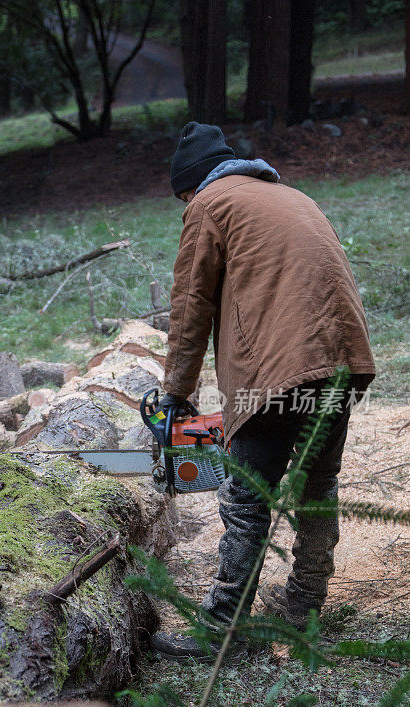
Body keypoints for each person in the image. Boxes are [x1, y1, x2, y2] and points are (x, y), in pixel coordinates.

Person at [150, 122, 375, 660]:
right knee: (317, 483)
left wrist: (174, 394)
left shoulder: (210, 205)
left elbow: (190, 306)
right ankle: (304, 605)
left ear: (192, 184)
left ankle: (223, 635)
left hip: (279, 374)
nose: (187, 202)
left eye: (185, 194)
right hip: (343, 362)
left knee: (247, 500)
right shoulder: (288, 195)